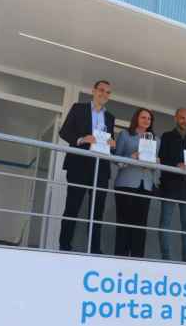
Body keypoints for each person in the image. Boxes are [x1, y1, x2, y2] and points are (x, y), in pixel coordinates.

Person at [58, 80, 116, 254]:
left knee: (97, 212)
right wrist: (82, 139)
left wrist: (112, 144)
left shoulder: (110, 117)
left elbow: (108, 142)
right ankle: (65, 246)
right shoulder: (78, 108)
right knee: (72, 207)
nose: (104, 94)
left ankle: (95, 250)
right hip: (79, 165)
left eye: (107, 92)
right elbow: (64, 132)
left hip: (101, 168)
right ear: (93, 91)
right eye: (101, 90)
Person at [113, 108, 157, 258]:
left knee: (141, 225)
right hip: (126, 183)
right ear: (136, 118)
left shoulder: (155, 139)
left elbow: (156, 168)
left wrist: (155, 163)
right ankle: (121, 257)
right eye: (143, 117)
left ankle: (137, 259)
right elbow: (116, 160)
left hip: (146, 185)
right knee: (124, 223)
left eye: (149, 119)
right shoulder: (125, 135)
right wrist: (132, 157)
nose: (146, 121)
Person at [158, 108, 186, 262]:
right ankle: (166, 257)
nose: (185, 121)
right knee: (165, 222)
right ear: (176, 118)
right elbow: (161, 158)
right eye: (182, 118)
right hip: (170, 183)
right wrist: (176, 165)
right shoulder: (167, 136)